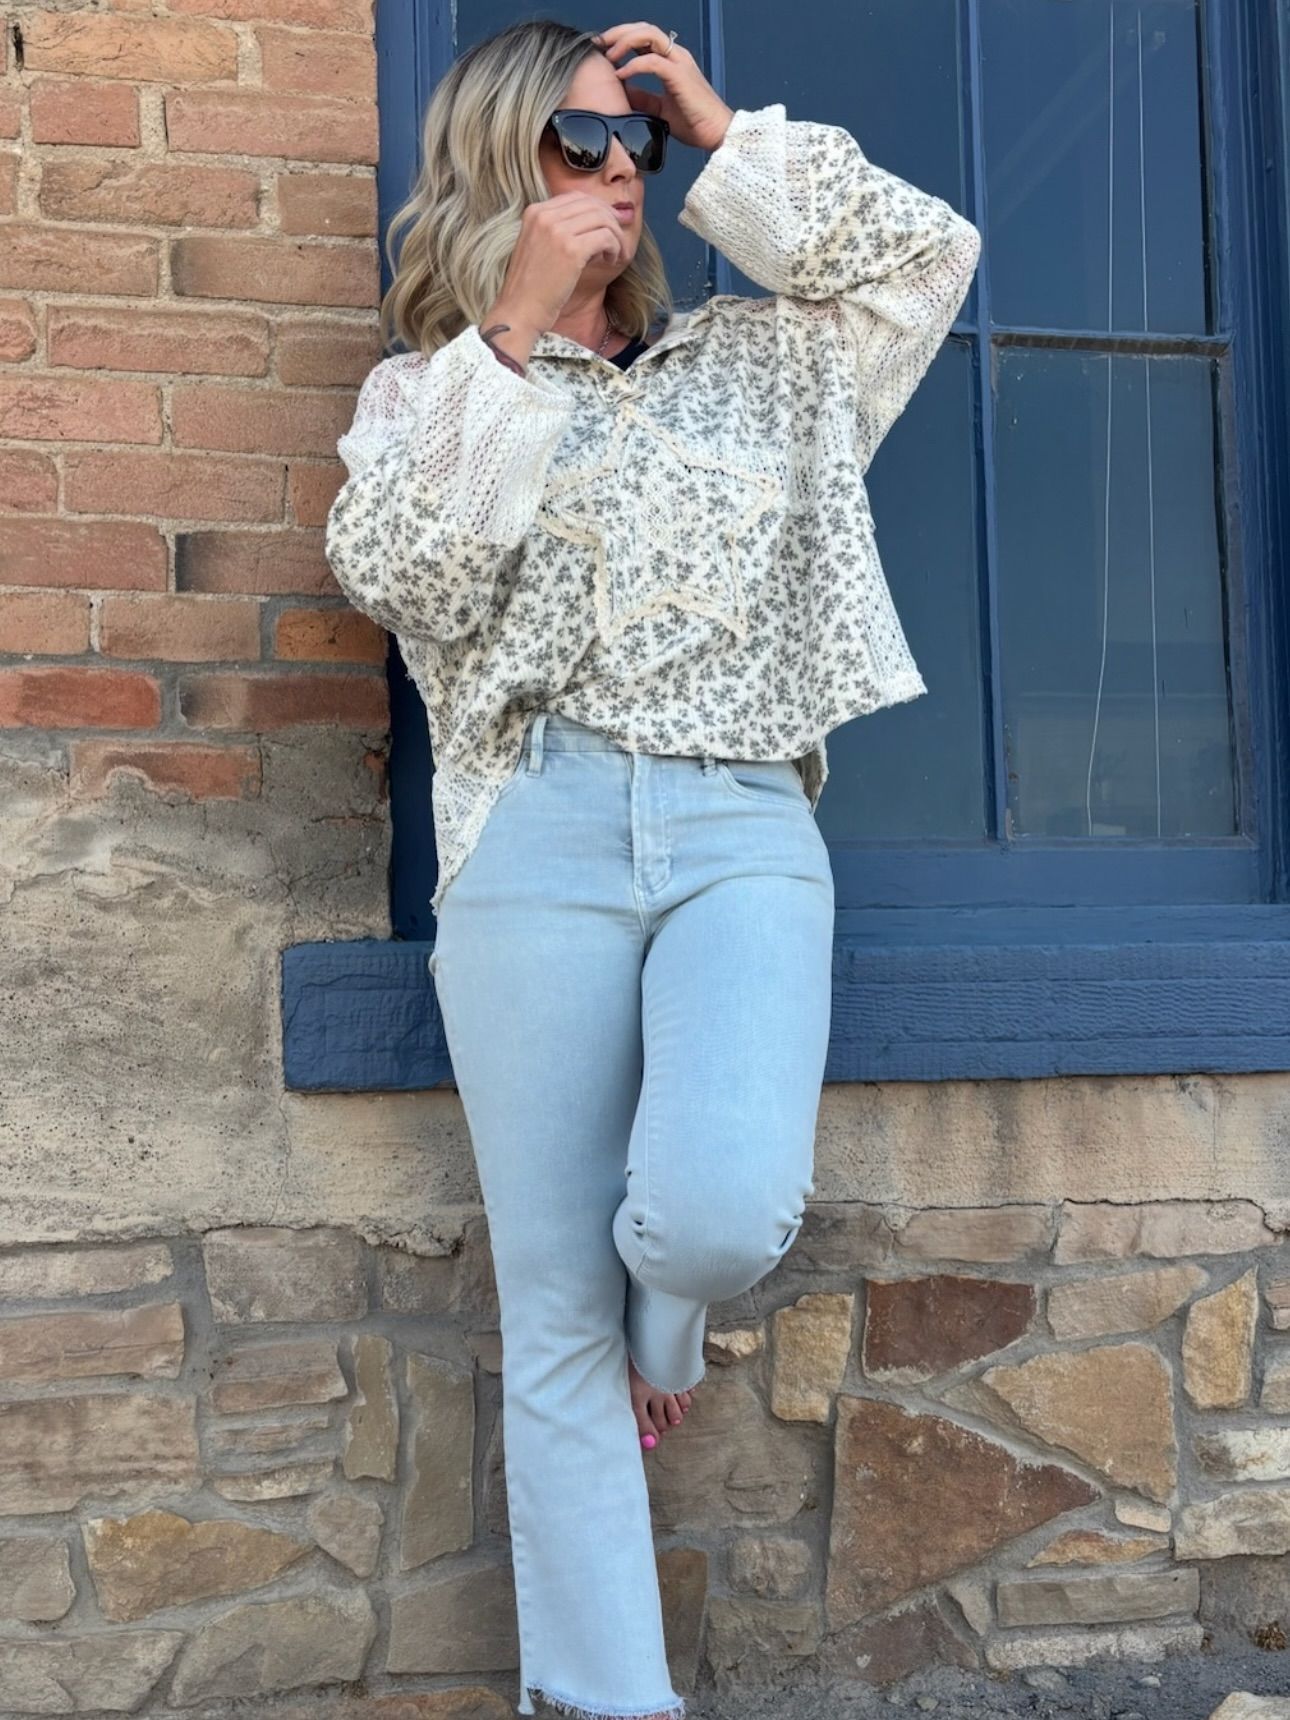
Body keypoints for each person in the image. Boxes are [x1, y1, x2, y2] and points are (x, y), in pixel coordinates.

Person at [324, 17, 982, 1718]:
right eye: (577, 141)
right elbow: (403, 578)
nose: (618, 170)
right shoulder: (428, 395)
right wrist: (520, 325)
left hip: (739, 820)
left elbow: (929, 257)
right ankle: (608, 1702)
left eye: (640, 146)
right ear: (496, 160)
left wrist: (728, 131)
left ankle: (664, 1330)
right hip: (528, 835)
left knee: (706, 1217)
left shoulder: (771, 368)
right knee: (547, 1313)